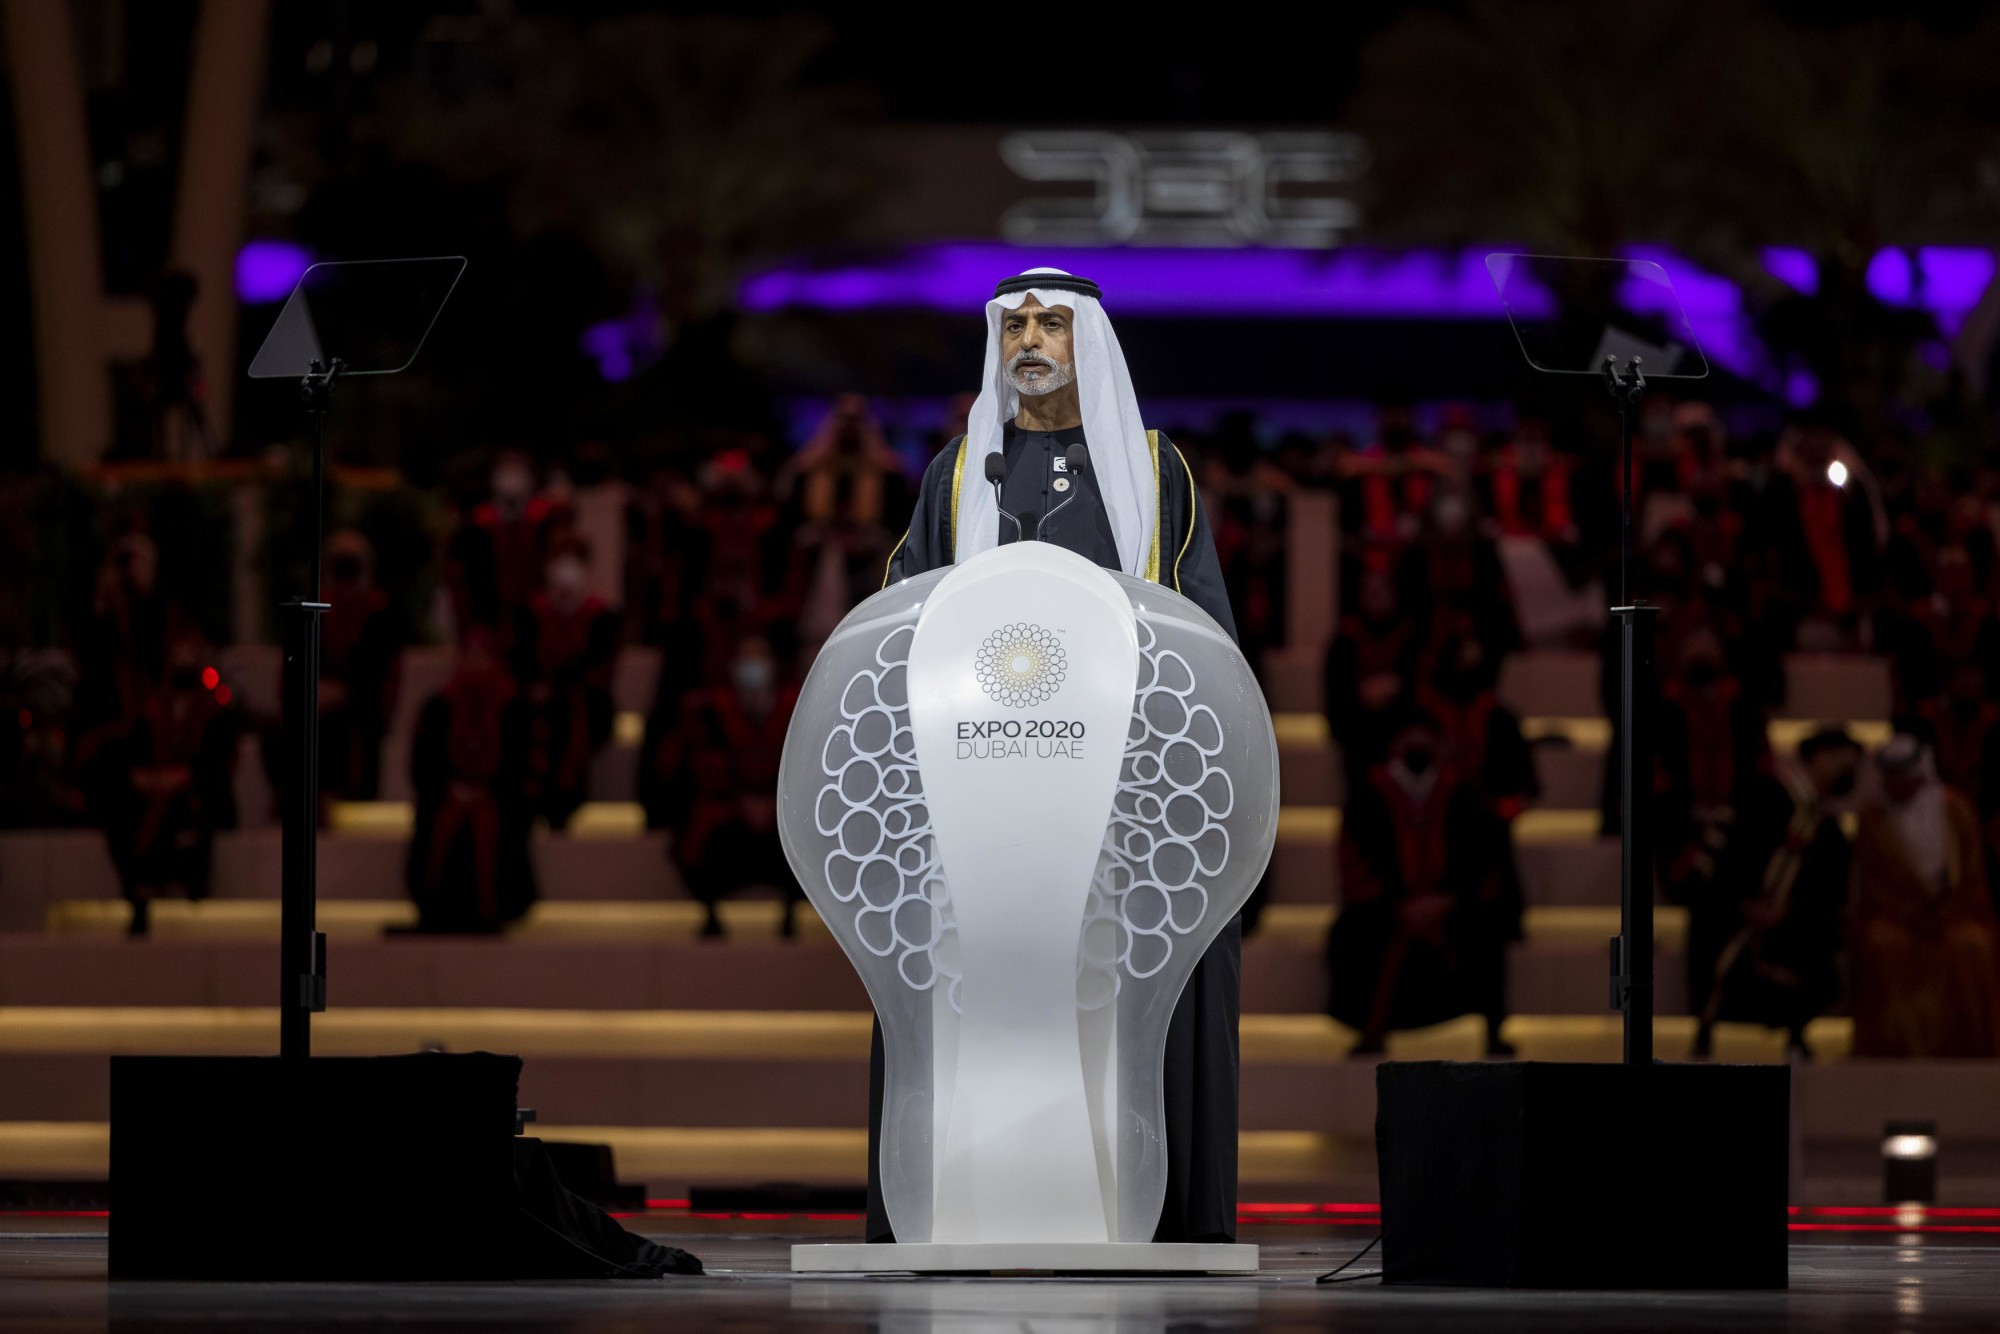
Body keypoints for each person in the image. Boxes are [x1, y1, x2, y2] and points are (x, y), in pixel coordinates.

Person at [878, 268, 1241, 1246]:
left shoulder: (1154, 473)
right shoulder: (956, 472)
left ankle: (1130, 1208)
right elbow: (903, 623)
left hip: (1117, 809)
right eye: (1012, 325)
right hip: (980, 800)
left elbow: (1201, 636)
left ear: (1090, 339)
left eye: (1049, 322)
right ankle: (972, 1203)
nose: (1028, 338)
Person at [1326, 711, 1523, 1056]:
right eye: (1409, 737)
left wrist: (1444, 901)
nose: (1417, 744)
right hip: (1385, 908)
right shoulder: (1369, 794)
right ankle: (1370, 1033)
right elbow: (1356, 862)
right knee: (1358, 935)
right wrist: (1400, 907)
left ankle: (1493, 1031)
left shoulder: (1462, 792)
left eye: (1424, 736)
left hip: (1451, 904)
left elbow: (1482, 861)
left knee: (1486, 932)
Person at [1692, 728, 1859, 1059]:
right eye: (1843, 761)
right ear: (1820, 756)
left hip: (1793, 931)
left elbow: (1829, 895)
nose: (1849, 771)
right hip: (1736, 919)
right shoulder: (1760, 794)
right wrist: (1745, 904)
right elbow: (1719, 864)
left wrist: (1789, 911)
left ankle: (1796, 1034)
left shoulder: (1831, 832)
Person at [77, 633, 240, 936]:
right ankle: (139, 888)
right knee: (123, 807)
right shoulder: (153, 711)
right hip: (156, 791)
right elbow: (134, 754)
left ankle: (169, 884)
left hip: (196, 794)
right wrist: (146, 778)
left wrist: (181, 778)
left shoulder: (214, 714)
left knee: (179, 813)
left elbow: (218, 766)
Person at [1851, 736, 2000, 1057]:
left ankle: (1970, 1047)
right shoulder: (1873, 820)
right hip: (1896, 918)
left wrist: (1946, 914)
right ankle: (1894, 1046)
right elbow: (1871, 885)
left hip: (1952, 914)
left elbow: (1973, 877)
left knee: (1973, 945)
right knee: (1882, 945)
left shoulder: (1956, 810)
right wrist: (1909, 915)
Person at [654, 634, 800, 939]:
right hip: (730, 806)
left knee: (807, 832)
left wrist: (774, 803)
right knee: (696, 832)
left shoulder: (796, 704)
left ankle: (793, 912)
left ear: (772, 664)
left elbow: (806, 760)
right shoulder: (708, 709)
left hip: (783, 808)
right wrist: (741, 800)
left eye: (759, 658)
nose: (753, 666)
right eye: (746, 659)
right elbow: (700, 762)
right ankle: (711, 914)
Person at [405, 632, 537, 933]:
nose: (475, 663)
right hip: (448, 793)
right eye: (469, 654)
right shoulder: (438, 707)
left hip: (499, 796)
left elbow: (521, 766)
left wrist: (484, 791)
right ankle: (435, 907)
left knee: (493, 820)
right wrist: (454, 789)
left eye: (482, 655)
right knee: (441, 817)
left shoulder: (514, 707)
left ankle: (494, 909)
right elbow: (423, 766)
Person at [513, 535, 620, 831]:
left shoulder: (603, 616)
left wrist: (557, 685)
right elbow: (520, 661)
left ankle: (565, 801)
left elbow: (599, 669)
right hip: (535, 698)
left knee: (571, 712)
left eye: (573, 558)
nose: (565, 566)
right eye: (559, 557)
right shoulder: (529, 613)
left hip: (582, 703)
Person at [318, 531, 399, 804]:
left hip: (364, 707)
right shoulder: (319, 612)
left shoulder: (379, 614)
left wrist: (346, 693)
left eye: (350, 566)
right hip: (320, 707)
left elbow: (385, 674)